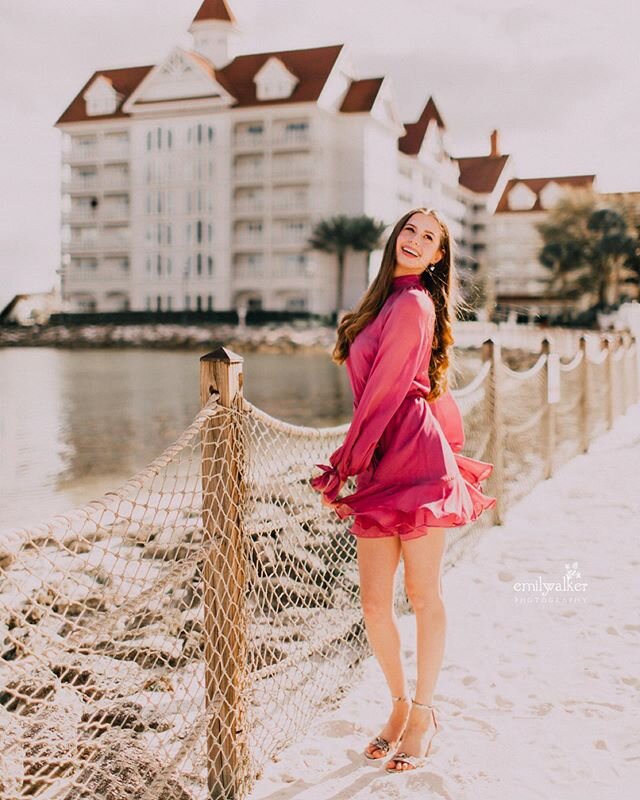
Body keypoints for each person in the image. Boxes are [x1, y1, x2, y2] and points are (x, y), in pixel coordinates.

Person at [310, 207, 496, 774]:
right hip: (380, 459)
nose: (415, 241)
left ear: (439, 256)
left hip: (412, 459)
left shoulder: (415, 302)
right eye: (409, 230)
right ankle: (396, 706)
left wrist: (345, 461)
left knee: (422, 595)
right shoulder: (381, 304)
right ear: (396, 239)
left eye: (429, 238)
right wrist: (358, 463)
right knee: (372, 602)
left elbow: (389, 393)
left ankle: (423, 713)